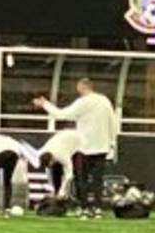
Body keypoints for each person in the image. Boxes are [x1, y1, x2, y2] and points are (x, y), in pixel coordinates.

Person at [34, 78, 118, 218]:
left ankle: (84, 207)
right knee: (97, 179)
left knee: (81, 178)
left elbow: (61, 115)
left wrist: (45, 104)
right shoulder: (105, 101)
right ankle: (97, 208)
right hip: (102, 146)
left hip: (85, 146)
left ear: (82, 87)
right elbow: (113, 122)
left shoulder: (83, 102)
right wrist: (112, 143)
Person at [37, 129, 82, 199]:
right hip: (62, 140)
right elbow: (48, 172)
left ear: (52, 159)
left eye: (49, 164)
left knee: (76, 173)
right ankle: (56, 191)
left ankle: (77, 196)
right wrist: (52, 190)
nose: (49, 167)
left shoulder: (61, 155)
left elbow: (69, 175)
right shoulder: (41, 152)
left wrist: (61, 192)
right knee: (56, 171)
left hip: (77, 142)